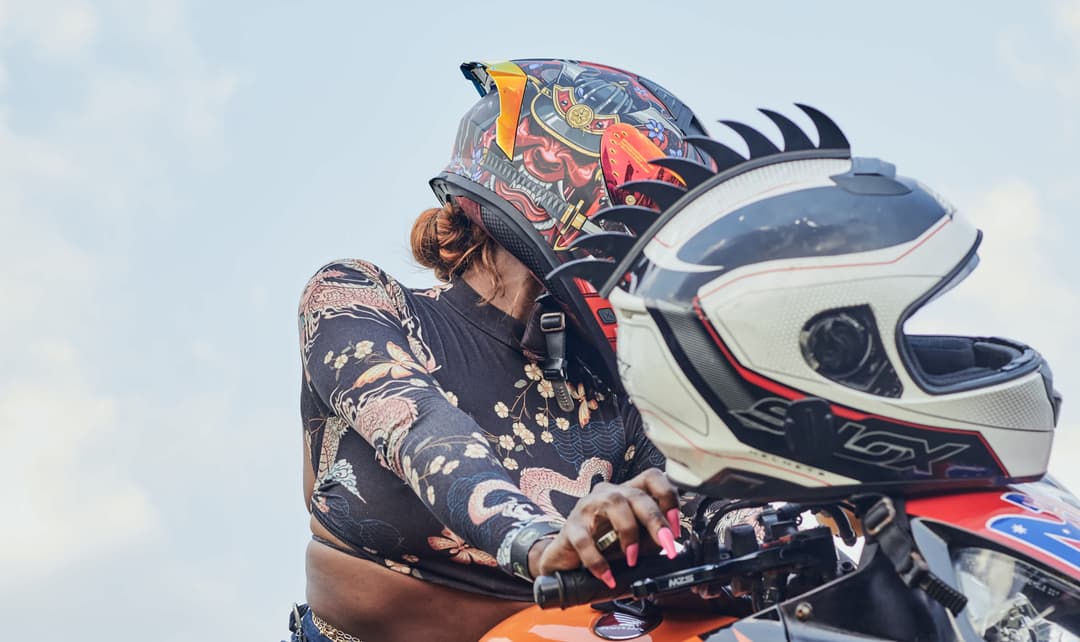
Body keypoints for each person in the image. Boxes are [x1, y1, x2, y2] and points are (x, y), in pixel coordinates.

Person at [292, 58, 714, 641]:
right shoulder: (357, 296)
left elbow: (703, 500)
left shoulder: (616, 393)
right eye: (643, 212)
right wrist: (539, 540)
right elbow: (426, 433)